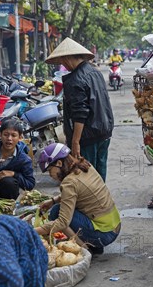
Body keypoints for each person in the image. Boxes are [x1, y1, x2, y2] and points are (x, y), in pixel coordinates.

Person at [45, 38, 114, 181]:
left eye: (62, 61)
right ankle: (101, 202)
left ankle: (91, 203)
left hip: (88, 137)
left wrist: (75, 141)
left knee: (86, 179)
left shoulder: (75, 80)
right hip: (104, 132)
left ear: (67, 58)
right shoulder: (95, 73)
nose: (63, 64)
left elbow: (80, 114)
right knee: (99, 177)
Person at [34, 143, 121, 255]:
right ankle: (94, 245)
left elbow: (62, 223)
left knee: (57, 212)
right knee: (59, 208)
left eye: (50, 170)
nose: (50, 175)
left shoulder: (69, 182)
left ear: (59, 163)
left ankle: (85, 250)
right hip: (114, 227)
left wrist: (31, 231)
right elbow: (77, 193)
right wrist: (53, 201)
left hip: (104, 234)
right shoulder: (84, 165)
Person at [0, 118, 35, 201]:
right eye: (6, 134)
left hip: (7, 196)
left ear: (20, 137)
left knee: (9, 182)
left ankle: (7, 210)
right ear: (0, 135)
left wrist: (14, 174)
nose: (9, 138)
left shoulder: (24, 160)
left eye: (13, 135)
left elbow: (30, 184)